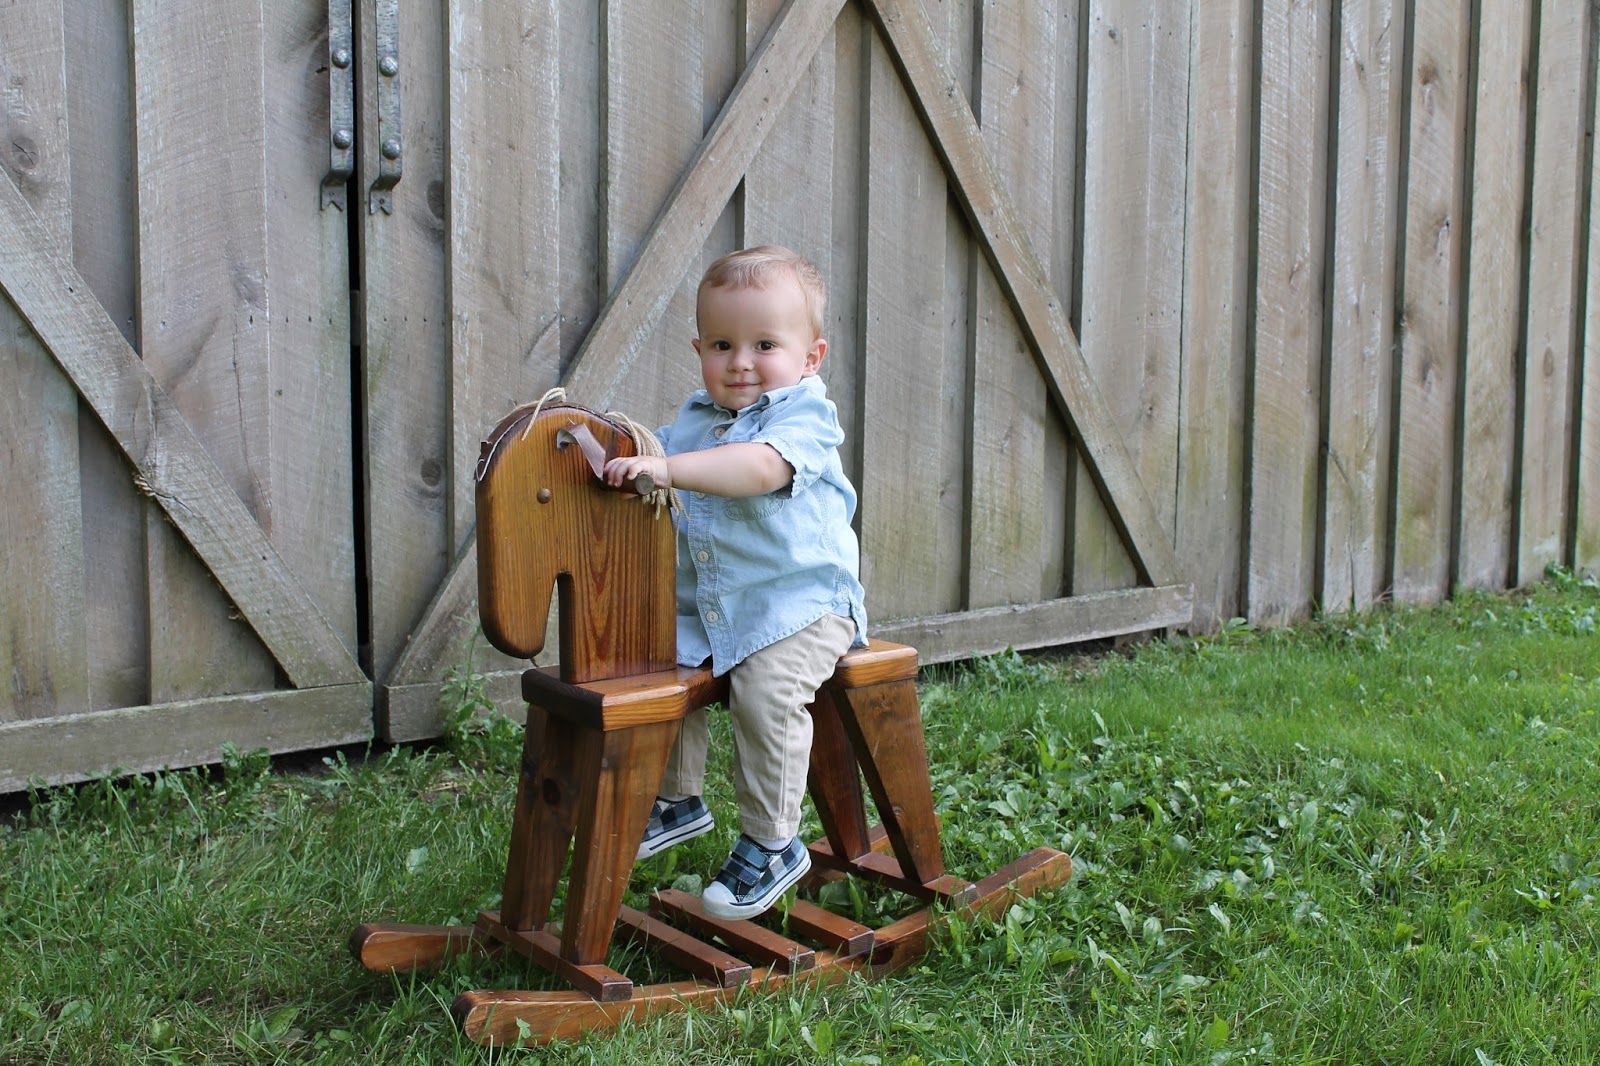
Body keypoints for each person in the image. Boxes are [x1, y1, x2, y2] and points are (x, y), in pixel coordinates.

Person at [603, 245, 867, 921]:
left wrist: (669, 470)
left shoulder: (803, 416)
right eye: (722, 345)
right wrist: (621, 455)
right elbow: (655, 458)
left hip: (801, 608)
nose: (741, 362)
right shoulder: (694, 419)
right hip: (717, 610)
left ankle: (774, 841)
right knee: (659, 664)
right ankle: (677, 798)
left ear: (811, 356)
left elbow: (758, 470)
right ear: (699, 350)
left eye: (765, 345)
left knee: (766, 690)